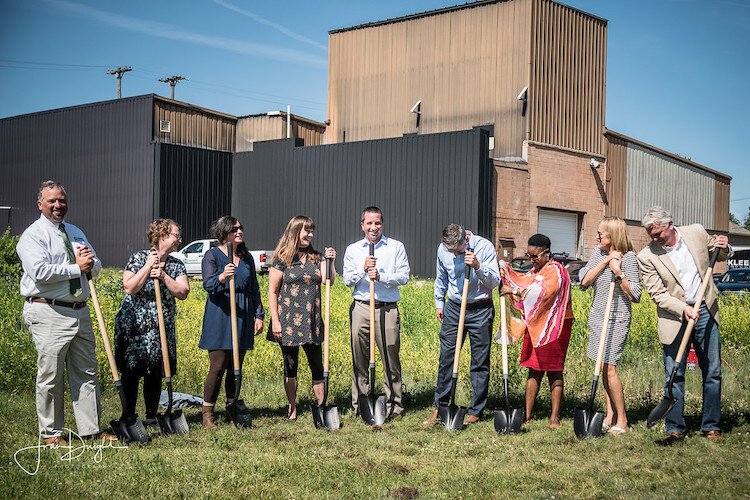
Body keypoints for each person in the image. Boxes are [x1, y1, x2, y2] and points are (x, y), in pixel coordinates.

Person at [16, 180, 117, 444]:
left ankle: (91, 429)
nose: (58, 205)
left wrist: (91, 264)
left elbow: (95, 266)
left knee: (86, 372)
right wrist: (76, 268)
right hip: (48, 311)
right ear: (40, 204)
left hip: (79, 311)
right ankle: (51, 433)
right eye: (52, 201)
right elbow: (39, 272)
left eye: (61, 200)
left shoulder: (74, 232)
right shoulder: (33, 235)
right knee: (51, 374)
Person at [637, 206, 730, 444]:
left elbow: (718, 254)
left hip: (706, 310)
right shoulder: (647, 256)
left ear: (670, 224)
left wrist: (724, 245)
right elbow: (658, 294)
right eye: (650, 234)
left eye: (657, 233)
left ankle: (711, 425)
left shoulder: (696, 232)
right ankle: (674, 427)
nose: (654, 238)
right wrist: (684, 309)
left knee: (712, 371)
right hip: (674, 316)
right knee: (674, 374)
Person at [114, 219, 190, 425]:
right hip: (135, 324)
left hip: (160, 327)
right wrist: (148, 267)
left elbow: (183, 292)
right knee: (131, 370)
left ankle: (150, 415)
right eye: (176, 235)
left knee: (156, 370)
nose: (179, 240)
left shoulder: (176, 264)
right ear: (162, 235)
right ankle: (128, 415)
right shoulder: (138, 258)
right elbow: (129, 287)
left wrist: (164, 276)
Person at [424, 223, 500, 426]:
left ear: (465, 240)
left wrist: (478, 266)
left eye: (457, 251)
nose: (454, 254)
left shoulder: (484, 247)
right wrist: (439, 303)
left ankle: (476, 410)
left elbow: (495, 281)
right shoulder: (443, 249)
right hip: (454, 307)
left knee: (480, 360)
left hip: (480, 308)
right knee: (446, 356)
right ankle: (441, 406)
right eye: (451, 251)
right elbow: (441, 277)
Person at [499, 233, 573, 429]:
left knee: (555, 370)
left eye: (535, 256)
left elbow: (541, 293)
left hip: (557, 325)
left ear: (547, 253)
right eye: (529, 256)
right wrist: (506, 271)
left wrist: (513, 291)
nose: (532, 260)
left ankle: (554, 418)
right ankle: (527, 415)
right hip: (535, 324)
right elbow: (523, 280)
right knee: (534, 369)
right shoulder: (536, 270)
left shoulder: (556, 271)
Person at [343, 206, 410, 418]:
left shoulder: (395, 247)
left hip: (386, 309)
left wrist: (381, 276)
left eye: (377, 223)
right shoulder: (353, 250)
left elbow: (404, 276)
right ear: (362, 225)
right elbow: (347, 280)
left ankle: (394, 405)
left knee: (390, 356)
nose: (374, 227)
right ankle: (360, 404)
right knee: (359, 357)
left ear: (382, 224)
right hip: (361, 308)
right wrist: (362, 269)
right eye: (369, 223)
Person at [198, 216, 264, 429]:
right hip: (221, 314)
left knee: (236, 365)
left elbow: (254, 287)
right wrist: (222, 277)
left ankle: (232, 407)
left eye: (240, 227)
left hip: (243, 314)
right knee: (218, 366)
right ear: (223, 232)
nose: (239, 231)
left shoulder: (246, 257)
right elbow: (208, 285)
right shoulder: (212, 255)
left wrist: (259, 315)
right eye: (234, 228)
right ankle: (207, 413)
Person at [267, 216, 336, 420]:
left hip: (312, 321)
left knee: (317, 364)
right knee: (290, 365)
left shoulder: (317, 257)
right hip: (288, 321)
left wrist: (331, 261)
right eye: (307, 230)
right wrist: (276, 321)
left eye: (312, 231)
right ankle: (292, 407)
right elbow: (272, 291)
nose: (310, 234)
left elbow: (328, 281)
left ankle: (321, 407)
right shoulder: (282, 258)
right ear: (295, 231)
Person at [578, 217, 641, 435]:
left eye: (601, 234)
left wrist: (618, 270)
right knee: (601, 367)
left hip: (617, 317)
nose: (597, 237)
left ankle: (622, 419)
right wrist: (605, 262)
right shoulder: (598, 254)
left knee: (610, 368)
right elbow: (584, 281)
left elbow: (635, 294)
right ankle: (609, 414)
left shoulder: (630, 258)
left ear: (613, 236)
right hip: (598, 316)